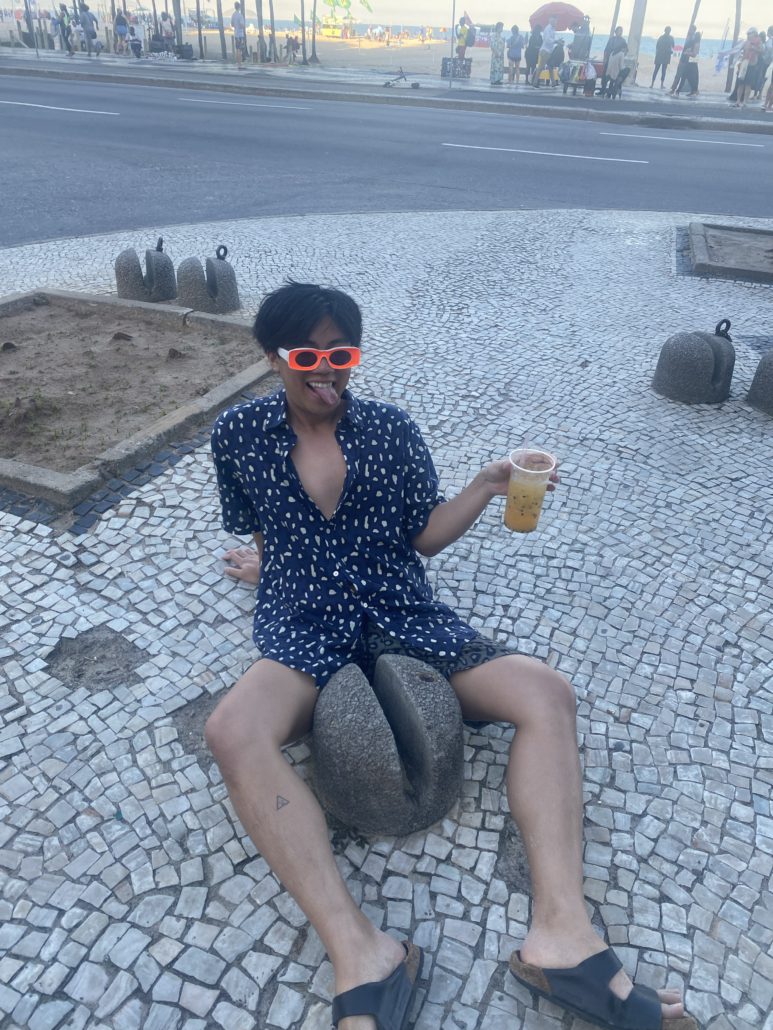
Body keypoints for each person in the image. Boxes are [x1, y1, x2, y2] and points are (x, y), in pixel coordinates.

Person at [207, 280, 699, 1030]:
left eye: (341, 353)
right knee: (231, 732)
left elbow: (424, 536)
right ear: (273, 358)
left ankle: (562, 937)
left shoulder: (391, 431)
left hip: (401, 610)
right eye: (306, 355)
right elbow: (263, 524)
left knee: (545, 694)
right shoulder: (238, 433)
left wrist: (487, 483)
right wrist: (268, 569)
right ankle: (360, 952)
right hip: (304, 618)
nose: (325, 369)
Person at [735, 28, 762, 107]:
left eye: (749, 33)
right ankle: (738, 100)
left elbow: (762, 50)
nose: (748, 35)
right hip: (744, 64)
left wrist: (754, 48)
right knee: (741, 83)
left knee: (748, 84)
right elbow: (738, 50)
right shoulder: (745, 42)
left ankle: (745, 101)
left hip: (752, 65)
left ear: (754, 33)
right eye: (748, 34)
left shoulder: (758, 42)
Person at [669, 25, 697, 95]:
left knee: (684, 76)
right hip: (683, 59)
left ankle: (676, 90)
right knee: (680, 75)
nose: (689, 30)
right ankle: (674, 90)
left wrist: (688, 51)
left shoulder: (693, 39)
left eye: (690, 29)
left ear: (693, 30)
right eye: (689, 29)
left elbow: (693, 51)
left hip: (687, 60)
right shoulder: (688, 38)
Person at [602, 26, 627, 95]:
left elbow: (625, 51)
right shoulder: (611, 39)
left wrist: (621, 57)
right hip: (608, 59)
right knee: (605, 75)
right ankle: (602, 90)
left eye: (621, 31)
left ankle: (610, 91)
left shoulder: (623, 41)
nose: (620, 32)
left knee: (613, 76)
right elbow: (606, 49)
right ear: (615, 32)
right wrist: (604, 58)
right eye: (618, 31)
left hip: (616, 62)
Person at [532, 14, 556, 86]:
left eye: (556, 21)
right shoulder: (548, 29)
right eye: (554, 20)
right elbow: (547, 40)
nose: (555, 22)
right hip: (545, 51)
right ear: (550, 20)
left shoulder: (552, 29)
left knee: (550, 67)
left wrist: (557, 41)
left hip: (549, 51)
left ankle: (553, 83)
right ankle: (535, 82)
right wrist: (556, 41)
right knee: (541, 67)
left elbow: (551, 39)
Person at [231, 0, 246, 68]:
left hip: (236, 33)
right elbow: (242, 25)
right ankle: (240, 63)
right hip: (240, 34)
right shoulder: (240, 15)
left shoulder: (233, 15)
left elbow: (232, 24)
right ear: (239, 7)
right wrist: (242, 26)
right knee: (240, 49)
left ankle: (238, 62)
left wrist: (236, 26)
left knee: (237, 49)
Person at [489, 21, 505, 85]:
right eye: (501, 27)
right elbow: (492, 44)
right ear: (498, 28)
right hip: (496, 54)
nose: (502, 29)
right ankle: (494, 80)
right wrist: (495, 52)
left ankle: (498, 79)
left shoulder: (499, 35)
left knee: (499, 67)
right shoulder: (494, 35)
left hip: (500, 54)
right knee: (496, 67)